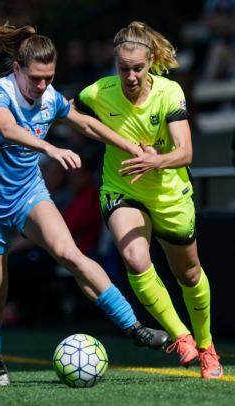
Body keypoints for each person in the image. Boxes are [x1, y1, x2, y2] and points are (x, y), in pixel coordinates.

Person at [0, 9, 170, 386]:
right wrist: (51, 148)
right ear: (18, 69)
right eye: (36, 79)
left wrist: (132, 147)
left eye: (50, 79)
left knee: (71, 254)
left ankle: (134, 327)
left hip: (27, 193)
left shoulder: (50, 97)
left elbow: (87, 123)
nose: (43, 87)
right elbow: (7, 129)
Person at [73, 21, 224, 379]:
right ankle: (180, 336)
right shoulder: (98, 92)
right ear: (115, 63)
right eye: (123, 68)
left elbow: (186, 152)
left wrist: (156, 159)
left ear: (151, 61)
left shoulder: (169, 93)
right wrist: (91, 132)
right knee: (135, 258)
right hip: (122, 188)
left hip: (169, 191)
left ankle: (207, 346)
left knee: (188, 273)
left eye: (137, 68)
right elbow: (69, 112)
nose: (130, 76)